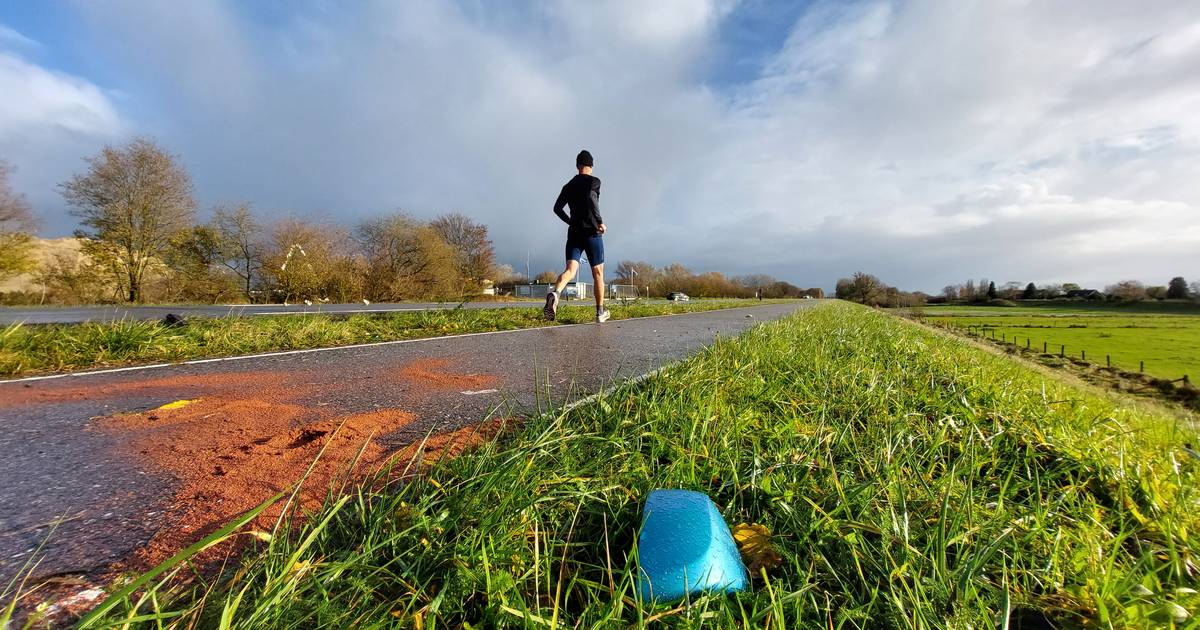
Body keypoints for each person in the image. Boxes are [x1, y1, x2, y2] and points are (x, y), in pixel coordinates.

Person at [544, 149, 610, 322]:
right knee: (598, 272)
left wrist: (570, 222)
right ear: (591, 166)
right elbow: (591, 198)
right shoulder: (594, 181)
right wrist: (600, 221)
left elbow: (557, 208)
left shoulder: (568, 185)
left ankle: (555, 293)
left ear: (577, 166)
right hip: (591, 232)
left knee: (570, 270)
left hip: (574, 233)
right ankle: (600, 312)